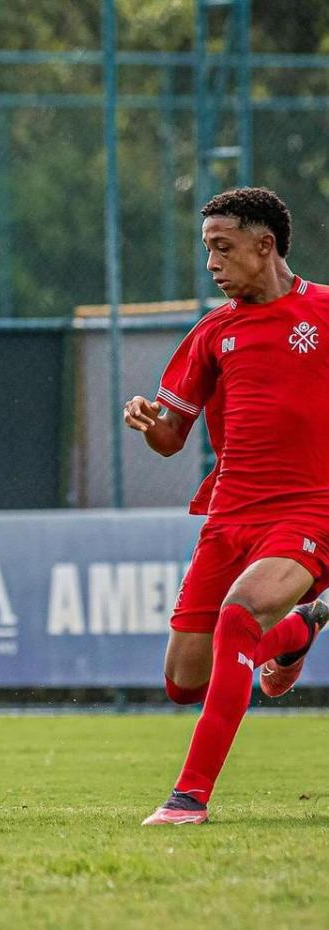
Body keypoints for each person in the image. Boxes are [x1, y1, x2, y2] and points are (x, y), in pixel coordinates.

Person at [123, 187, 329, 825]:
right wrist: (149, 421)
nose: (211, 263)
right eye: (207, 249)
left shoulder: (322, 310)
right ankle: (298, 632)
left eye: (222, 248)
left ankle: (189, 797)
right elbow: (170, 439)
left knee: (240, 616)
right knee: (185, 682)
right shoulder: (214, 330)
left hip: (310, 510)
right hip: (229, 516)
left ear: (264, 246)